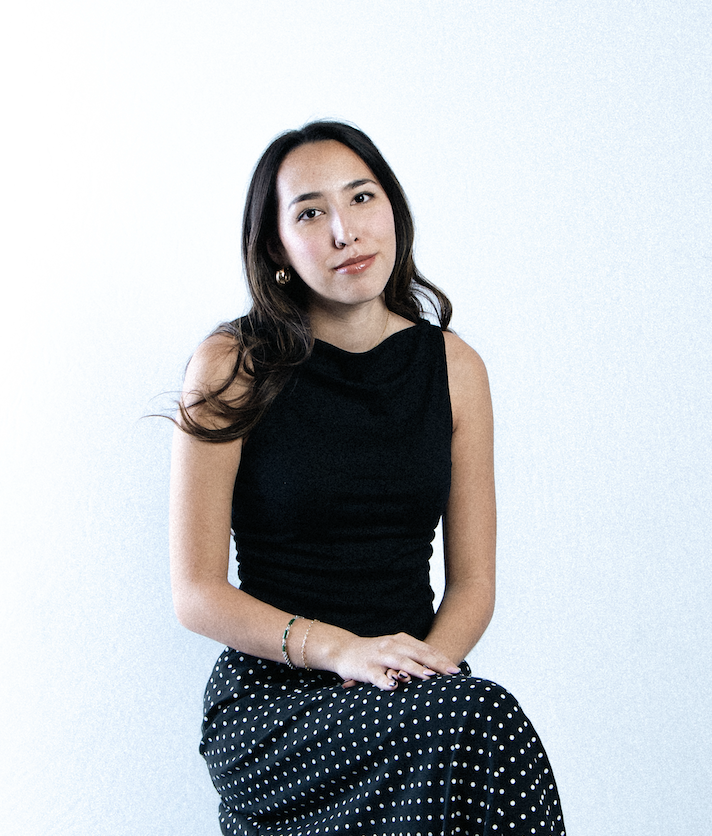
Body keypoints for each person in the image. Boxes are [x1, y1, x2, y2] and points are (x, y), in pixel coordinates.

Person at [169, 120, 566, 835]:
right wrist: (342, 651)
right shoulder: (233, 364)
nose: (344, 231)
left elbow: (473, 584)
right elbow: (196, 595)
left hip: (418, 691)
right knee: (482, 721)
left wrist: (408, 676)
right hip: (275, 704)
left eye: (361, 198)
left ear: (393, 211)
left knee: (477, 722)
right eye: (311, 213)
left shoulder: (454, 368)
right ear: (277, 249)